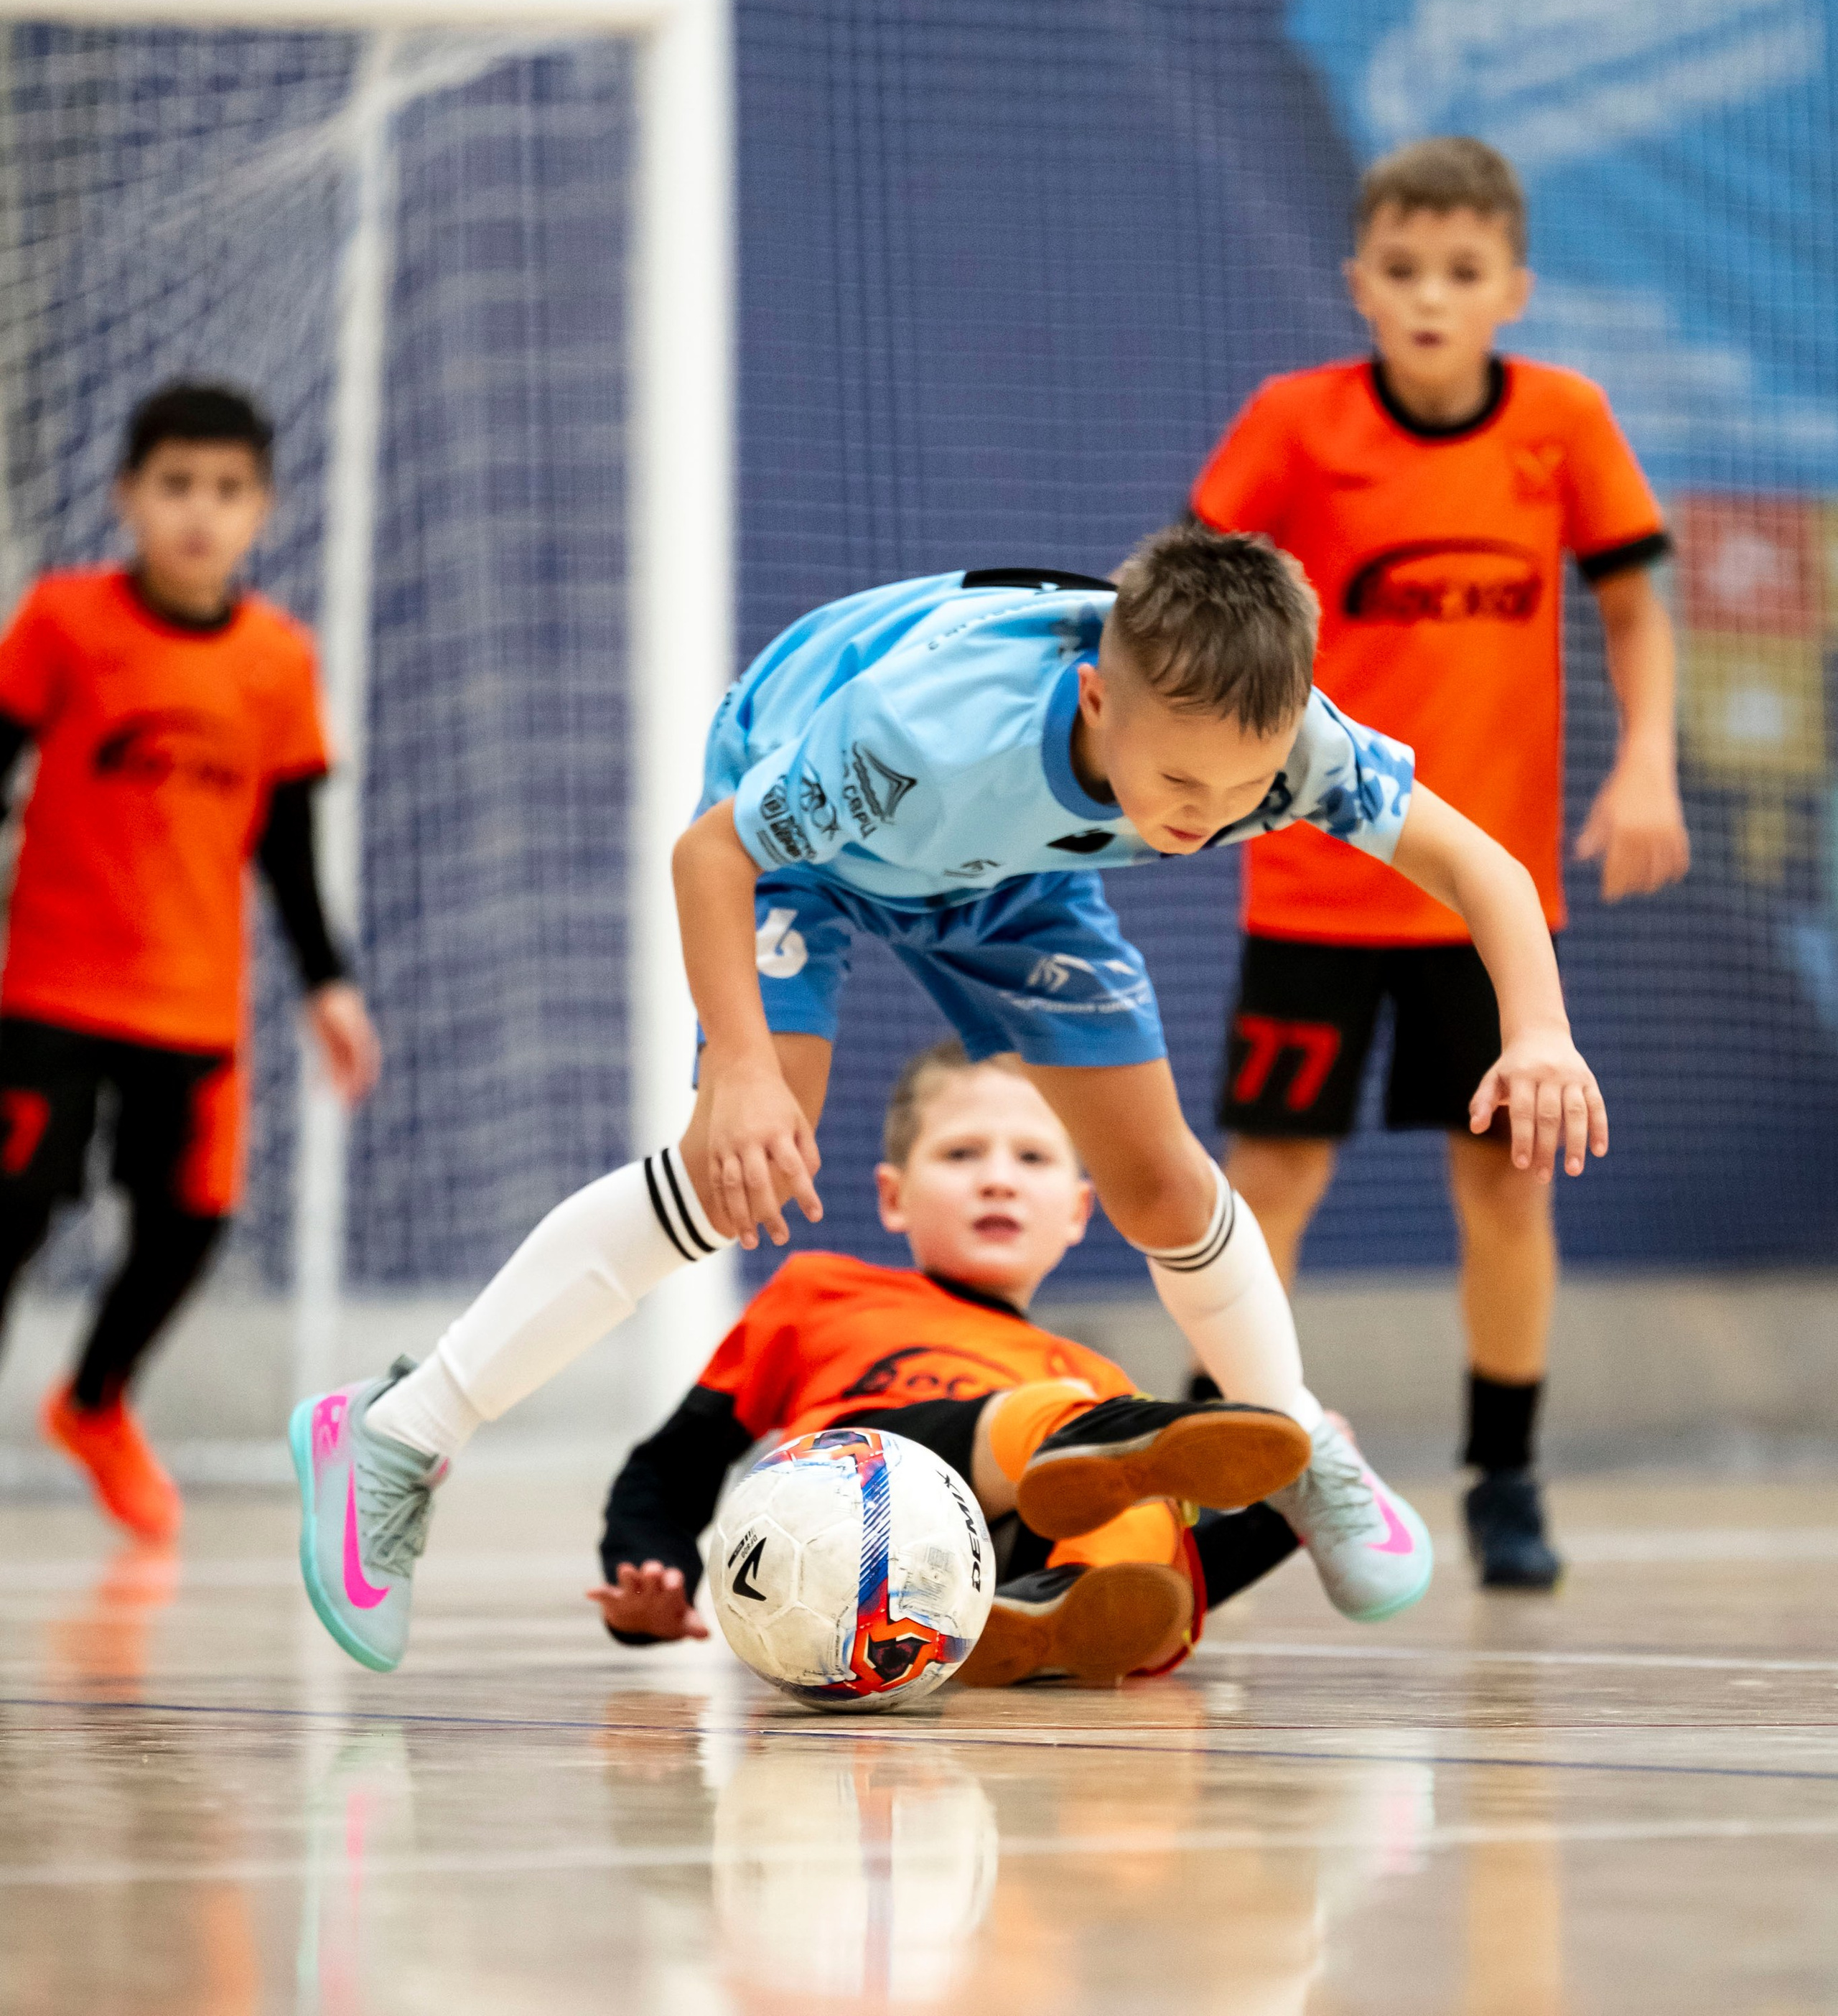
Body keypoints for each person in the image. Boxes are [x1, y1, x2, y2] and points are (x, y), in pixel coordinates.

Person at [296, 523, 1609, 1672]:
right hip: (825, 841)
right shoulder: (925, 734)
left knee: (1158, 1185)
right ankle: (397, 1434)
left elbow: (1480, 864)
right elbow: (715, 853)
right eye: (1180, 791)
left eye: (1240, 796)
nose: (1207, 824)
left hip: (1011, 869)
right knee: (729, 1172)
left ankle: (1297, 1437)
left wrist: (1538, 1031)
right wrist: (745, 1069)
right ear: (1096, 700)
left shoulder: (1277, 747)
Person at [1189, 136, 1687, 1589]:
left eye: (1459, 273)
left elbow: (1636, 604)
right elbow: (1190, 591)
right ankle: (1207, 1460)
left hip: (1486, 906)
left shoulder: (1561, 420)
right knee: (1260, 1181)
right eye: (1400, 271)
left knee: (1505, 1192)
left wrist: (1645, 754)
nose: (1427, 297)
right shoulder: (1293, 423)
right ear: (1356, 283)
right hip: (1312, 889)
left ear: (1509, 290)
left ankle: (1504, 1474)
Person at [592, 1038, 1312, 1686]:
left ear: (1079, 1211)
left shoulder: (1095, 1375)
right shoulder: (819, 1294)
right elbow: (670, 1465)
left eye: (1031, 1158)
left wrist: (1288, 1506)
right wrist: (652, 1571)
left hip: (995, 1570)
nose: (997, 1179)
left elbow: (1179, 1576)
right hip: (843, 1518)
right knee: (1074, 1421)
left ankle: (1058, 1616)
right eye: (962, 1153)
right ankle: (1058, 1537)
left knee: (1141, 1500)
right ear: (893, 1196)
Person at [0, 382, 379, 1541]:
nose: (198, 514)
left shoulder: (277, 661)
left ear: (262, 508)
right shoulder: (64, 623)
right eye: (175, 487)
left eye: (225, 491)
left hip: (192, 1005)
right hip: (52, 991)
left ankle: (96, 1402)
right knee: (12, 1214)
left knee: (191, 1224)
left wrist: (329, 985)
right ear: (127, 496)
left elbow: (290, 845)